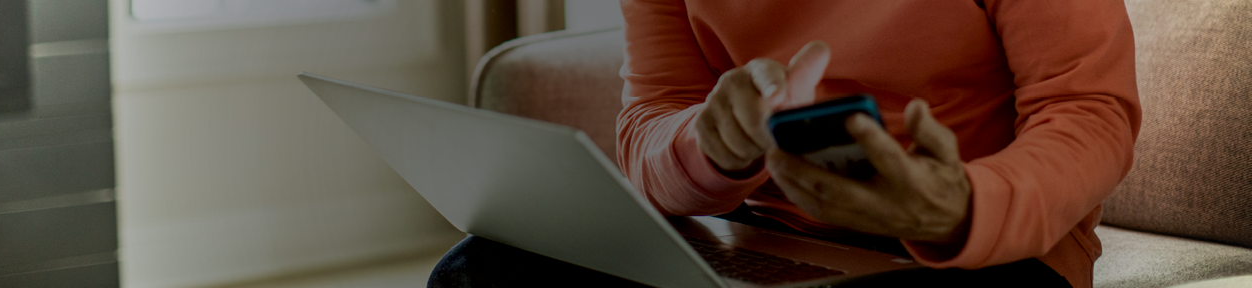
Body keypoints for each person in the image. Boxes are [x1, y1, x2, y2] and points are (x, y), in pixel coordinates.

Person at [430, 1, 1139, 287]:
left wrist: (959, 209)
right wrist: (708, 146)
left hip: (977, 252)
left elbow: (1090, 114)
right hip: (760, 238)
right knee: (480, 273)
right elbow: (653, 118)